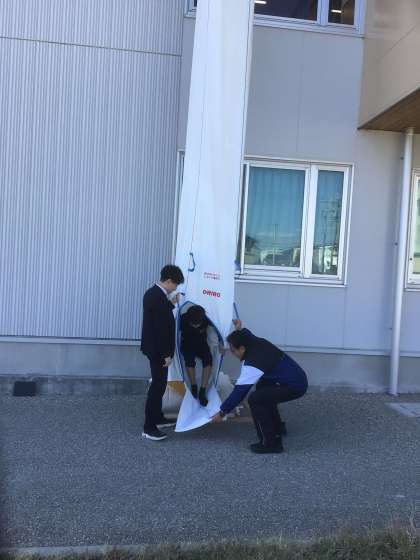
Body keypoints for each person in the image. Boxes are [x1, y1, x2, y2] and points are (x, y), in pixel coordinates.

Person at [212, 321, 308, 454]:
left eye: (233, 350)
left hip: (295, 386)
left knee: (255, 399)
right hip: (295, 377)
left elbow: (239, 392)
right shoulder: (253, 341)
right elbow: (247, 334)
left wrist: (222, 412)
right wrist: (239, 328)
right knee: (263, 387)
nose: (232, 353)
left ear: (242, 349)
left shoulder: (253, 362)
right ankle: (277, 428)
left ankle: (270, 443)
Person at [141, 264, 184, 441]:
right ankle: (149, 427)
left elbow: (160, 315)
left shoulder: (155, 294)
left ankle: (158, 418)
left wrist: (171, 303)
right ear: (169, 281)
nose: (175, 288)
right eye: (176, 284)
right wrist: (166, 354)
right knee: (157, 387)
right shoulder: (156, 297)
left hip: (155, 348)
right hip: (158, 350)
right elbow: (160, 329)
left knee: (160, 385)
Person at [180, 305, 213, 407]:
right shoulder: (182, 319)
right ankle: (194, 385)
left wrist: (222, 342)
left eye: (198, 324)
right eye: (193, 324)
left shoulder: (206, 318)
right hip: (187, 343)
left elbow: (219, 327)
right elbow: (172, 331)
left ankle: (202, 391)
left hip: (201, 343)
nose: (195, 326)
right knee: (189, 360)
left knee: (208, 360)